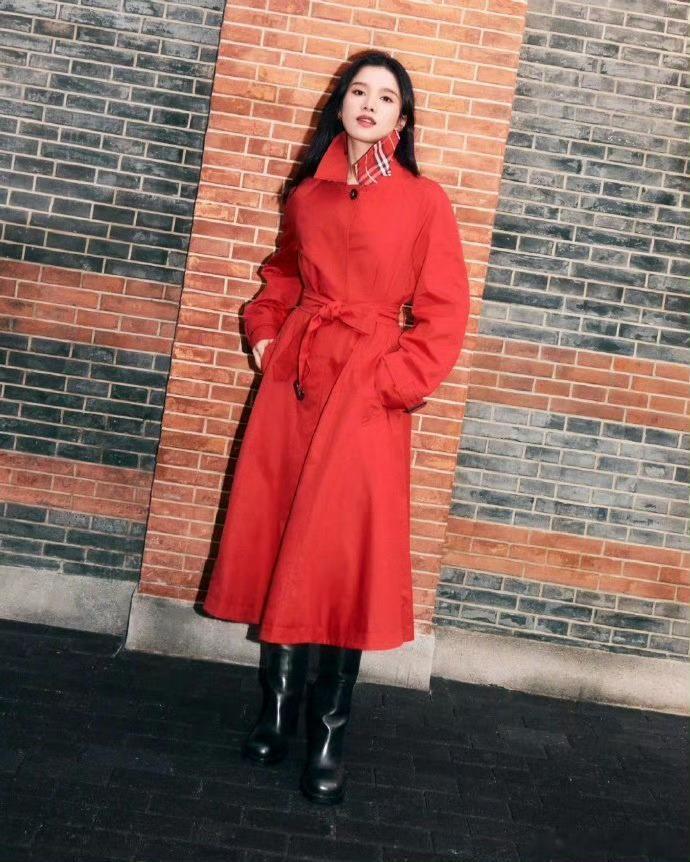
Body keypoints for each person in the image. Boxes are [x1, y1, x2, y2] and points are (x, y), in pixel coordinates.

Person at [202, 50, 471, 805]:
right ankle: (277, 711)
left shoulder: (425, 201)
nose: (369, 104)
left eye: (386, 96)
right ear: (341, 104)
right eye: (359, 91)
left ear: (402, 119)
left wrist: (392, 382)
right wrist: (265, 335)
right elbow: (281, 275)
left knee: (344, 554)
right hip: (295, 389)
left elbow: (445, 311)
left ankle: (328, 734)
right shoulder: (308, 196)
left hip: (365, 395)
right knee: (283, 535)